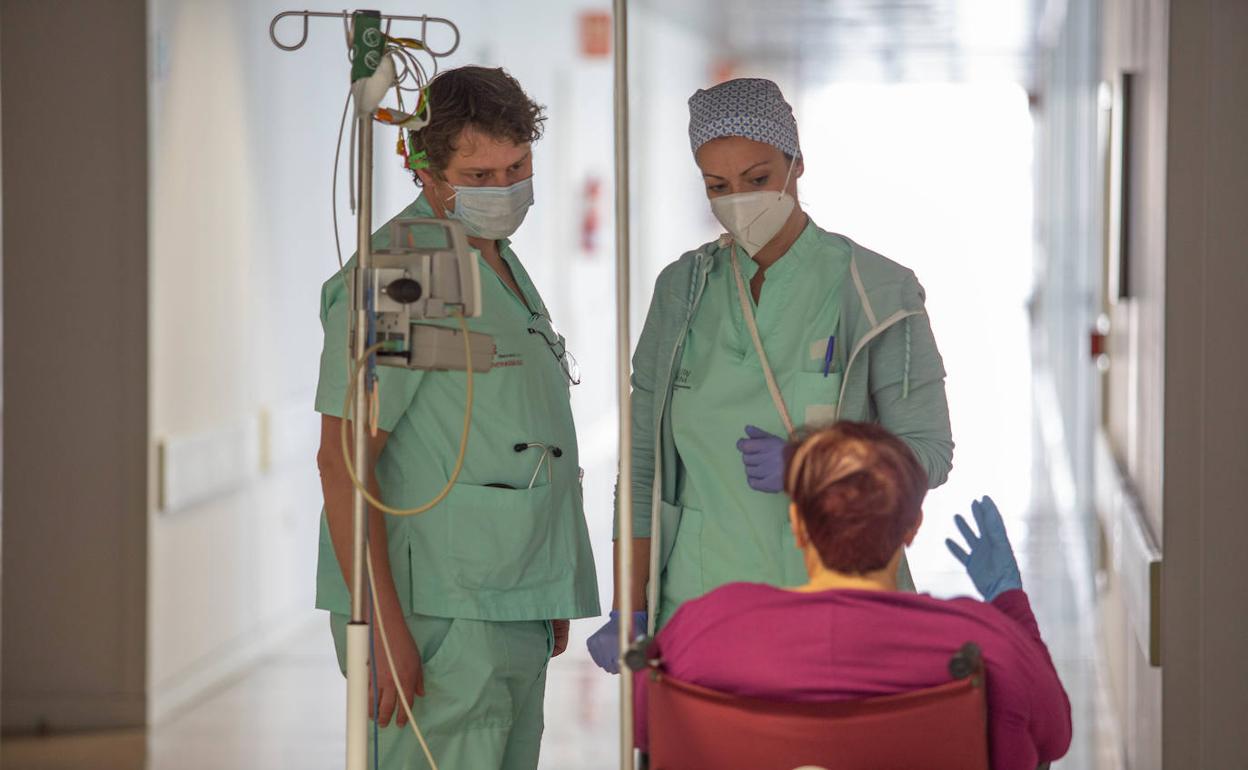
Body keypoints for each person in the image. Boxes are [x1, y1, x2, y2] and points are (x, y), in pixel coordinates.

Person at [590, 77, 954, 668]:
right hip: (702, 614)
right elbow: (641, 468)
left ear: (797, 165)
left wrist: (821, 464)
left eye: (757, 179)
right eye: (717, 185)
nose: (739, 198)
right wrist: (627, 605)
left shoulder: (876, 290)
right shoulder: (682, 291)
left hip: (838, 609)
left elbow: (929, 452)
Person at [314, 66, 599, 769]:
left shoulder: (492, 258)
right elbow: (345, 460)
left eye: (517, 167)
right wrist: (380, 627)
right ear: (424, 170)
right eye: (478, 175)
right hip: (440, 612)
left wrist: (546, 581)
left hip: (506, 596)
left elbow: (511, 436)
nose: (503, 189)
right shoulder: (411, 271)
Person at [633, 422, 1071, 770]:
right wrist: (1008, 597)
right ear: (912, 528)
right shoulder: (984, 644)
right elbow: (1055, 733)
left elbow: (645, 729)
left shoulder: (702, 631)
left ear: (799, 525)